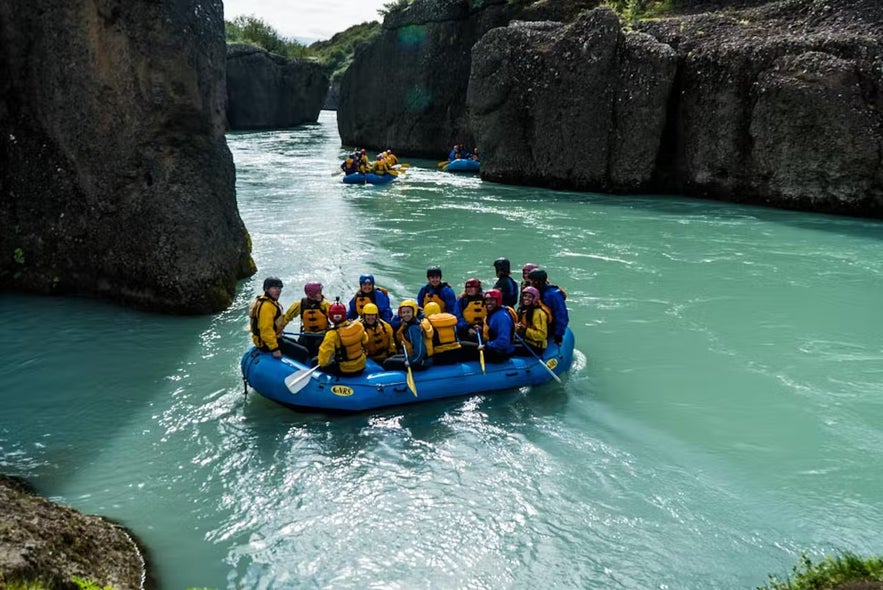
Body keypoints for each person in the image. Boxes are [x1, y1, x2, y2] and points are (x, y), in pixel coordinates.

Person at [315, 300, 368, 376]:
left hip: (344, 369)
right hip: (361, 365)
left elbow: (323, 362)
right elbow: (365, 340)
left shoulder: (332, 334)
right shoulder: (358, 325)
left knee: (314, 361)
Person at [283, 281, 330, 358]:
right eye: (318, 293)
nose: (320, 295)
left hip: (322, 335)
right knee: (302, 346)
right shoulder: (299, 305)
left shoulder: (325, 305)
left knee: (318, 347)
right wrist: (279, 329)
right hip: (307, 335)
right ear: (311, 294)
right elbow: (286, 317)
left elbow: (336, 319)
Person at [383, 299, 434, 371]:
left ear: (414, 312)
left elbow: (420, 350)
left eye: (408, 312)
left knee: (387, 363)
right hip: (414, 356)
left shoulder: (414, 328)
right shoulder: (408, 324)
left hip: (421, 361)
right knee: (390, 358)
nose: (406, 315)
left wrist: (411, 362)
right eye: (403, 312)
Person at [527, 267, 569, 345]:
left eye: (531, 281)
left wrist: (558, 335)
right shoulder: (534, 292)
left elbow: (561, 315)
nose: (530, 283)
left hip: (548, 327)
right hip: (536, 324)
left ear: (537, 282)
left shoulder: (553, 295)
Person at [248, 277, 286, 359]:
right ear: (266, 289)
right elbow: (266, 330)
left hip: (269, 339)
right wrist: (275, 349)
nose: (278, 291)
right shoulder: (266, 306)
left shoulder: (270, 302)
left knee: (293, 343)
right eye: (274, 288)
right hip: (265, 343)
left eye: (279, 288)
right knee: (302, 352)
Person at [480, 288, 516, 362]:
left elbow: (503, 342)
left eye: (492, 300)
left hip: (500, 351)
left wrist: (487, 345)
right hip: (493, 345)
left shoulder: (502, 317)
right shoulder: (493, 313)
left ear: (498, 301)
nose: (488, 303)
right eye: (487, 300)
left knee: (465, 347)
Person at [514, 286, 548, 356]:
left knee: (508, 349)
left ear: (534, 299)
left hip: (535, 346)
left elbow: (541, 335)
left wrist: (525, 330)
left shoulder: (539, 314)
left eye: (529, 297)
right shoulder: (523, 310)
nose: (526, 298)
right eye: (525, 296)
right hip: (525, 341)